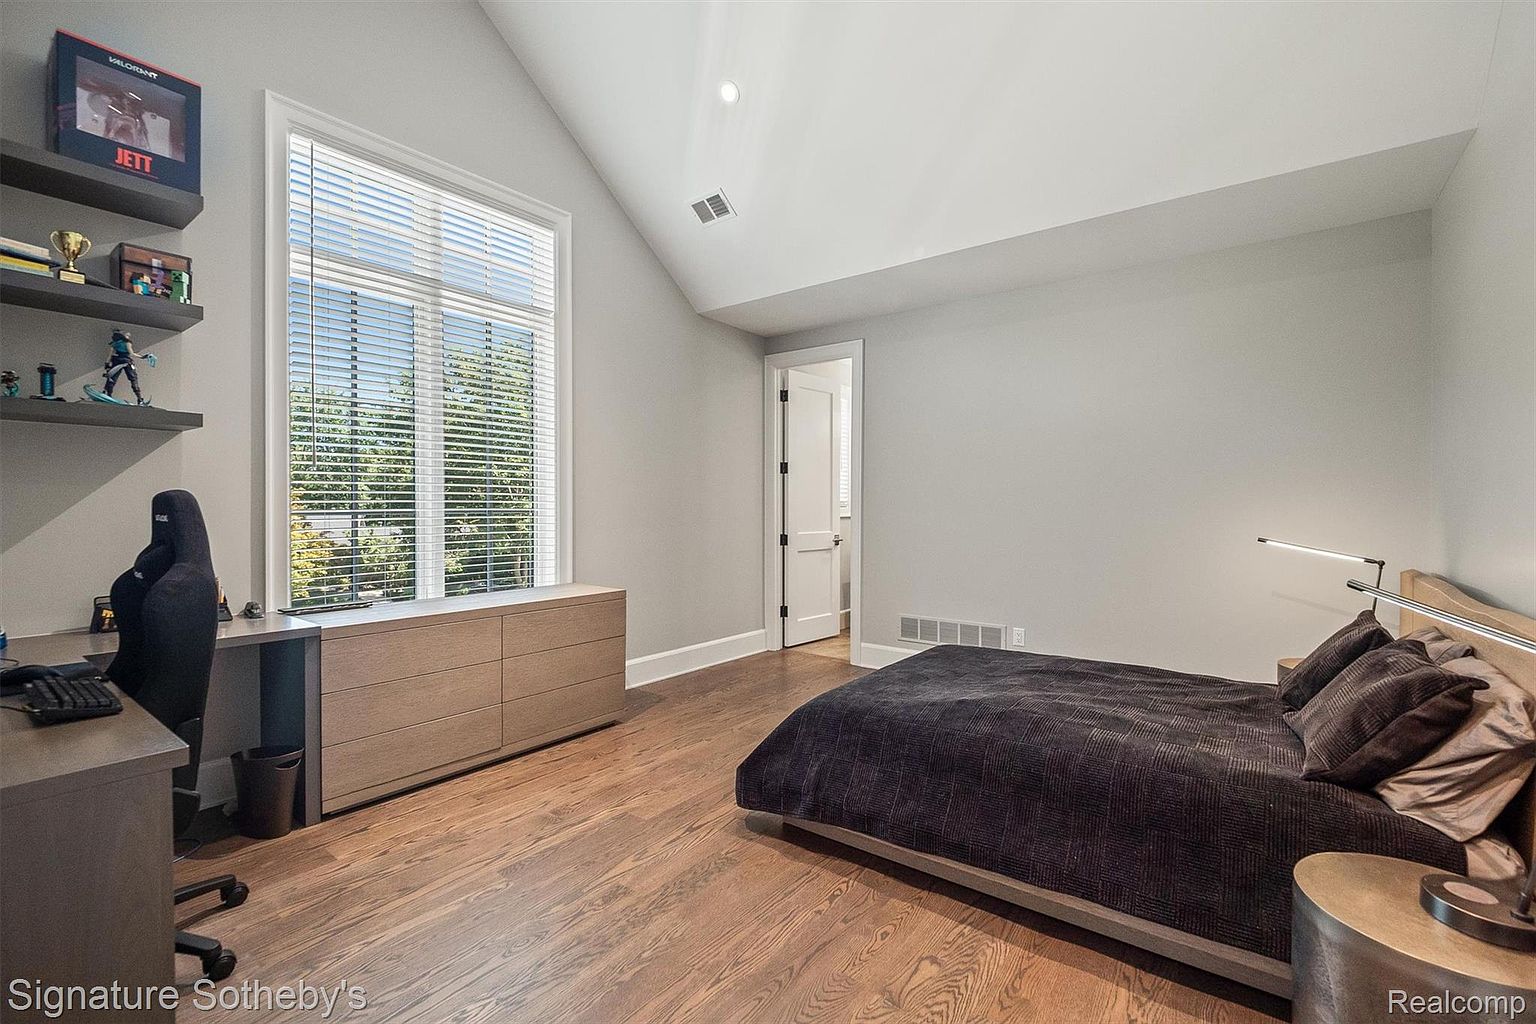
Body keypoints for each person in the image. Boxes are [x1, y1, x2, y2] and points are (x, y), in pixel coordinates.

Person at [103, 328, 155, 405]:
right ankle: (139, 399)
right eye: (126, 335)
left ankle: (108, 395)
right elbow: (131, 353)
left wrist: (107, 364)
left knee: (112, 378)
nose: (128, 336)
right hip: (126, 361)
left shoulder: (114, 343)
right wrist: (143, 357)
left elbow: (110, 355)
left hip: (116, 360)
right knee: (133, 379)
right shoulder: (127, 343)